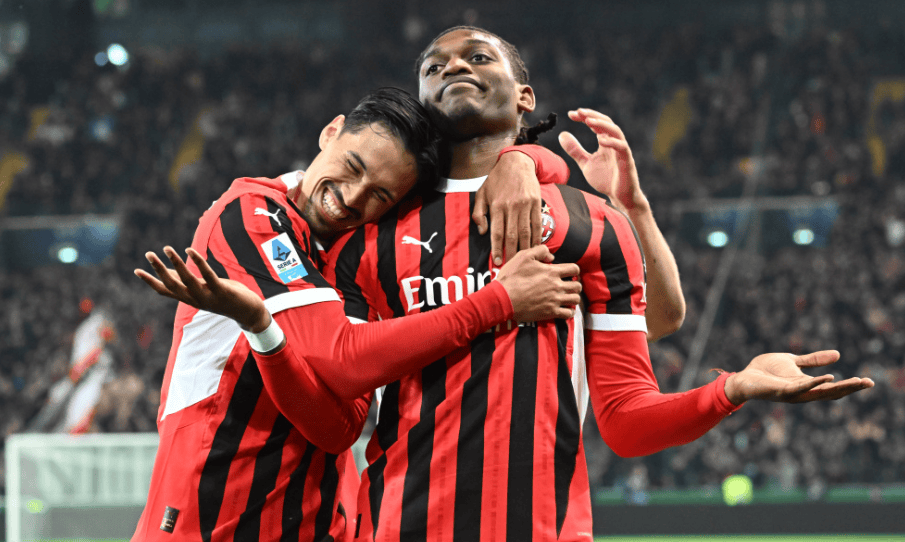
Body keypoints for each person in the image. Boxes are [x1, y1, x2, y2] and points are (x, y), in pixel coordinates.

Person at [321, 26, 874, 540]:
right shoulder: (369, 232)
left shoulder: (597, 224)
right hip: (396, 527)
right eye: (433, 67)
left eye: (478, 57)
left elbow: (627, 419)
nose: (454, 68)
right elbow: (341, 383)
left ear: (524, 98)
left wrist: (730, 390)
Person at [130, 87, 583, 542]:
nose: (350, 197)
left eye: (379, 194)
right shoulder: (251, 214)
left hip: (315, 526)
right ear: (331, 132)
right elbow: (342, 359)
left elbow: (338, 430)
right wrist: (497, 303)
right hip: (206, 518)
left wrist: (521, 160)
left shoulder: (355, 257)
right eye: (353, 166)